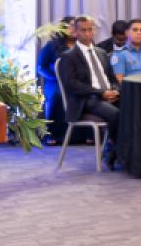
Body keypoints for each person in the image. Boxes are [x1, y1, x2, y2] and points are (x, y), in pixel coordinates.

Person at [59, 17, 120, 165]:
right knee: (116, 114)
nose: (87, 33)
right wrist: (101, 93)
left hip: (109, 96)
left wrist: (115, 91)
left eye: (90, 29)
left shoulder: (102, 53)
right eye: (83, 30)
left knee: (135, 109)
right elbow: (72, 85)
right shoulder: (69, 56)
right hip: (87, 100)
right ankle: (115, 150)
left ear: (94, 31)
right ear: (76, 32)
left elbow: (112, 79)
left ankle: (121, 150)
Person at [35, 17, 75, 138]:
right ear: (63, 28)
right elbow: (41, 67)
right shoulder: (52, 45)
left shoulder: (83, 45)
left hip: (77, 82)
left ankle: (86, 134)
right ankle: (53, 134)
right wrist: (54, 78)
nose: (74, 28)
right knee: (57, 96)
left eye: (76, 26)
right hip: (55, 81)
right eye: (71, 25)